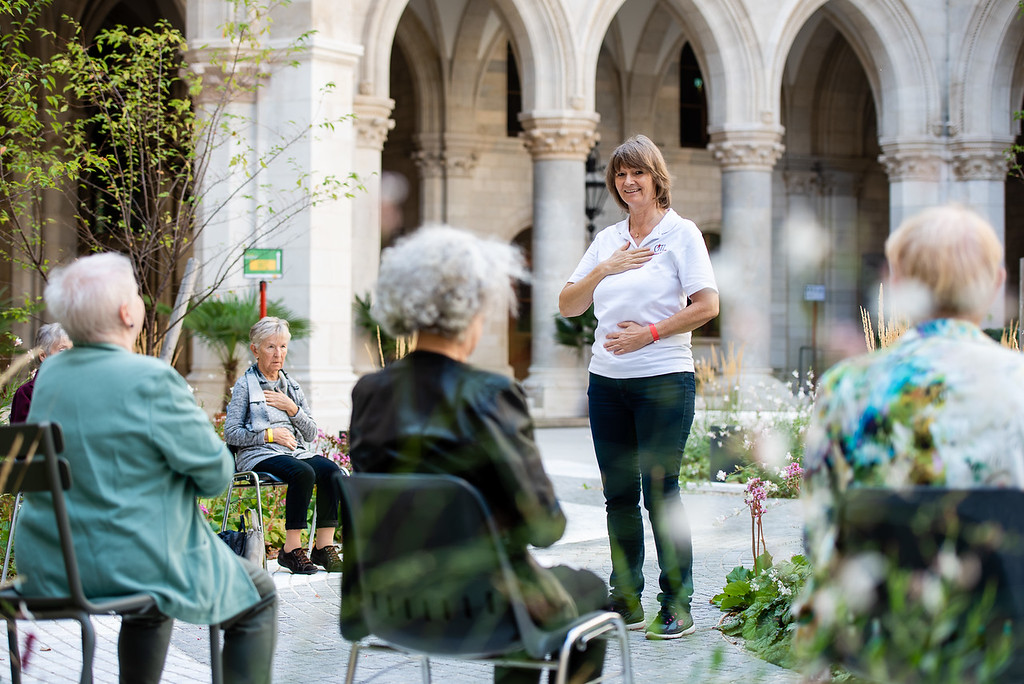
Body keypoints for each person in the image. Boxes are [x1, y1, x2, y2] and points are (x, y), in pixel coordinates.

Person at [349, 225, 609, 684]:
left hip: (390, 604)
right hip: (483, 609)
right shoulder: (491, 394)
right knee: (587, 588)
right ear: (471, 311)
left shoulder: (370, 392)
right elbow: (546, 527)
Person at [18, 252, 276, 684]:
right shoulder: (151, 378)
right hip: (129, 561)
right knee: (259, 593)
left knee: (153, 603)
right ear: (126, 312)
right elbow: (215, 477)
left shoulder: (51, 376)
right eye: (136, 293)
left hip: (50, 563)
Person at [559, 134, 719, 639]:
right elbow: (568, 304)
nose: (628, 183)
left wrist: (649, 333)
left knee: (660, 493)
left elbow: (706, 305)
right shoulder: (607, 239)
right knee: (619, 494)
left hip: (664, 381)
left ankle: (677, 602)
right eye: (621, 176)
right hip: (607, 383)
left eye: (638, 174)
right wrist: (604, 268)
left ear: (656, 178)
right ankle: (625, 598)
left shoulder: (681, 234)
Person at [802, 202, 1024, 564]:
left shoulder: (844, 387)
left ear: (896, 283)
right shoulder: (1019, 382)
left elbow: (820, 532)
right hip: (1004, 612)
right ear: (997, 284)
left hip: (884, 611)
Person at [224, 316, 343, 574]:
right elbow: (231, 433)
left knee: (332, 472)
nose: (278, 354)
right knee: (303, 472)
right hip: (258, 455)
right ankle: (290, 551)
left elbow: (310, 433)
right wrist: (269, 435)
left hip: (293, 451)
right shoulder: (245, 385)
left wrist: (292, 408)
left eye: (283, 347)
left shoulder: (292, 387)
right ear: (255, 349)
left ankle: (322, 547)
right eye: (270, 347)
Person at [10, 322, 72, 423]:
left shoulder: (79, 387)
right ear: (43, 355)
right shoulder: (27, 393)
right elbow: (23, 435)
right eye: (62, 350)